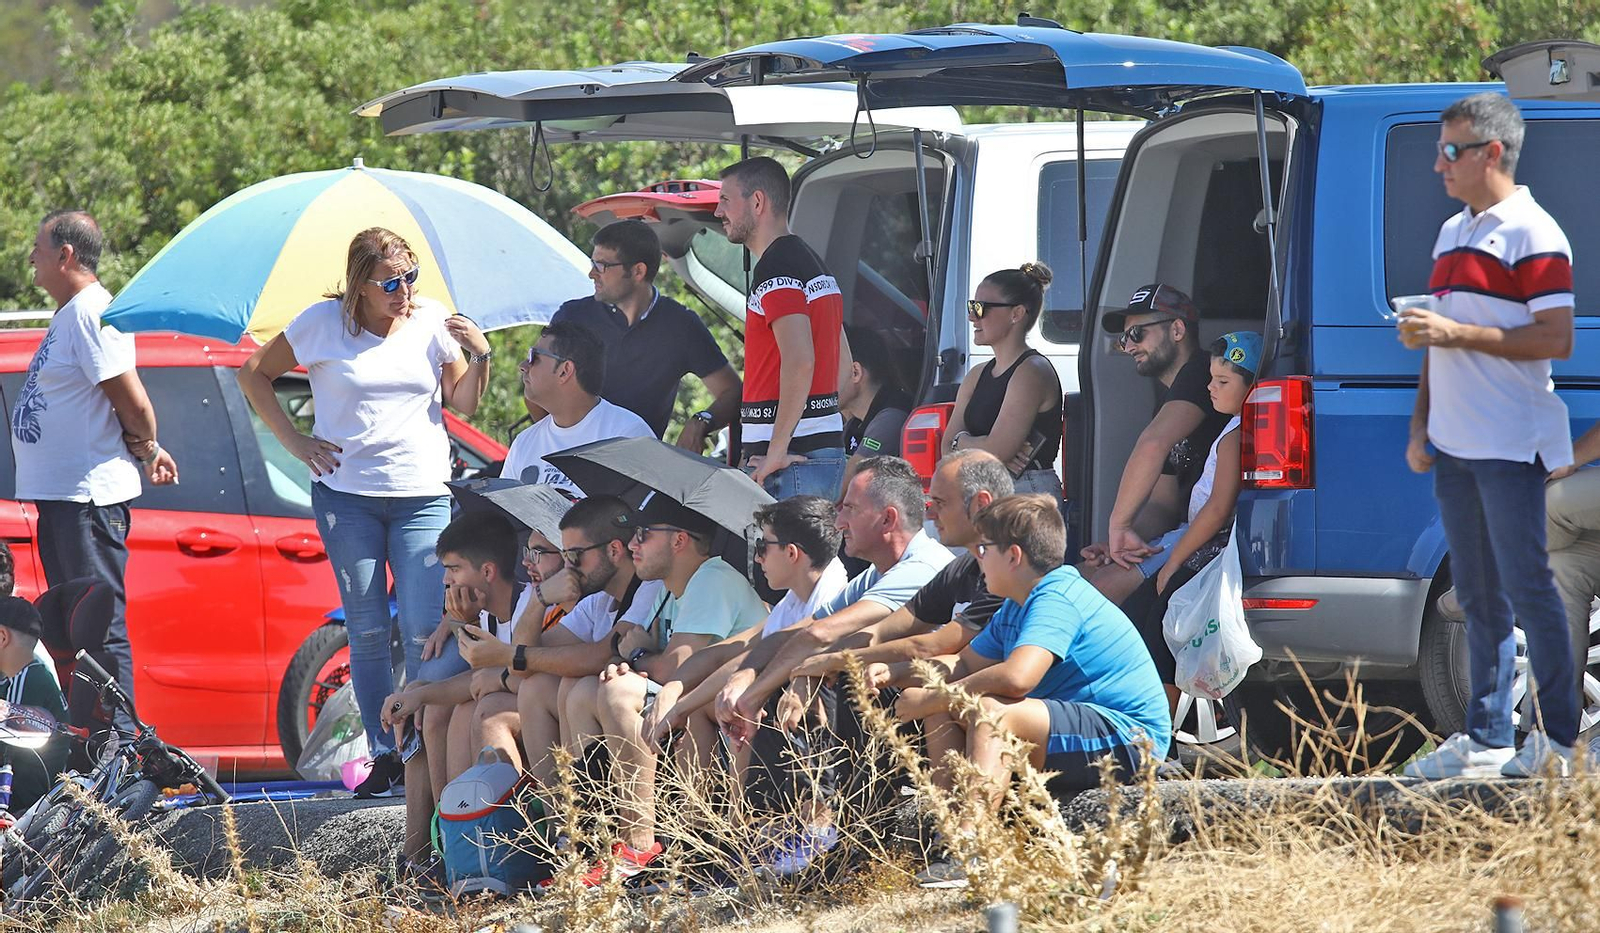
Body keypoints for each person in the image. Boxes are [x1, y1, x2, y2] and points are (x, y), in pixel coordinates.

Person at [238, 226, 492, 797]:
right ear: (359, 284)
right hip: (346, 496)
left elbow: (466, 402)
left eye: (410, 277)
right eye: (390, 283)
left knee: (426, 626)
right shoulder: (321, 322)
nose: (405, 291)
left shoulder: (431, 320)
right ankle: (386, 751)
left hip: (423, 493)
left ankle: (426, 743)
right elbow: (253, 374)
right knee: (369, 629)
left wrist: (480, 353)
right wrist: (294, 440)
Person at [1399, 92, 1579, 779]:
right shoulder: (1452, 232)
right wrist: (1421, 424)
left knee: (1530, 590)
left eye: (1452, 151)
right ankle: (1486, 738)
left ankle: (1558, 742)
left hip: (1510, 442)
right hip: (1456, 444)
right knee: (1476, 597)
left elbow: (1554, 337)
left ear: (1492, 152)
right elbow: (1435, 338)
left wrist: (1453, 332)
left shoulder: (1535, 232)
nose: (1438, 165)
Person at [894, 494, 1170, 888]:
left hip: (1129, 739)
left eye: (984, 549)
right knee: (943, 708)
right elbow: (964, 665)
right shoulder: (1015, 604)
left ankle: (973, 849)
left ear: (1014, 556)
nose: (977, 559)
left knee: (990, 711)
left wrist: (933, 695)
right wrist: (888, 674)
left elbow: (1018, 677)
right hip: (1072, 729)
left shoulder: (1057, 597)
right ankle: (950, 838)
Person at [14, 210, 179, 730]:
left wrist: (148, 447)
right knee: (70, 630)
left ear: (66, 255)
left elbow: (133, 400)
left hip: (88, 501)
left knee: (97, 628)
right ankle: (92, 743)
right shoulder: (71, 313)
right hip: (64, 499)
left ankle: (123, 746)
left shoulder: (92, 312)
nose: (32, 258)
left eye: (39, 249)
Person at [571, 494, 767, 886]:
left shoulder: (712, 577)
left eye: (644, 534)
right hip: (694, 709)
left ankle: (639, 843)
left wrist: (636, 656)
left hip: (733, 710)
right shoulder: (667, 587)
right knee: (579, 692)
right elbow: (647, 657)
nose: (632, 544)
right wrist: (633, 658)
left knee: (619, 692)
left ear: (679, 540)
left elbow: (677, 667)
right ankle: (591, 840)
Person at [717, 457, 955, 745]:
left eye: (850, 509)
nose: (840, 522)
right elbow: (798, 632)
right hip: (904, 701)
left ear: (887, 519)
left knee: (823, 682)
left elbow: (822, 634)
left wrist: (757, 694)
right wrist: (743, 677)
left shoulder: (922, 566)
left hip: (938, 706)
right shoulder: (875, 573)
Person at [383, 510, 554, 867]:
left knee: (463, 711)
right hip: (508, 702)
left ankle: (463, 846)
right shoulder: (485, 612)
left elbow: (508, 678)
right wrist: (416, 695)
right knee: (424, 703)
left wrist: (463, 627)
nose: (446, 580)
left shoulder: (528, 606)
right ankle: (436, 850)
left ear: (487, 572)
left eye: (454, 569)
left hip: (539, 713)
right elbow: (478, 680)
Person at [1119, 333, 1259, 716]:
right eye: (1211, 379)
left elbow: (1217, 509)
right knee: (1142, 615)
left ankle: (1156, 732)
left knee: (1157, 629)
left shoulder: (1235, 438)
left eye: (1223, 381)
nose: (1211, 388)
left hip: (1206, 550)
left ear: (1252, 387)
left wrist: (1175, 561)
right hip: (1200, 546)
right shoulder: (1230, 429)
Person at [1079, 283, 1231, 604]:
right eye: (1124, 339)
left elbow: (1152, 444)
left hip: (1218, 532)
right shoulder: (1168, 403)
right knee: (1077, 576)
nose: (1129, 346)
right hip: (1186, 529)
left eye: (1137, 334)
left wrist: (1119, 525)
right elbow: (1164, 503)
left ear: (1177, 330)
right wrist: (1125, 543)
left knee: (1101, 587)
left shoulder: (1202, 373)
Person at [538, 220, 741, 449]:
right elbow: (535, 386)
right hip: (568, 459)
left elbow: (733, 391)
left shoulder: (681, 325)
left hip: (640, 466)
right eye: (592, 263)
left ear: (638, 271)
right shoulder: (572, 316)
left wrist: (701, 421)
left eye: (601, 266)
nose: (591, 274)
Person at [715, 156, 846, 498]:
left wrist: (776, 448)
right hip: (814, 452)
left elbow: (800, 360)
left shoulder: (776, 267)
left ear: (757, 202)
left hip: (788, 461)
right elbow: (844, 366)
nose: (718, 212)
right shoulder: (812, 262)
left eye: (725, 199)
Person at [943, 264, 1064, 497]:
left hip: (1026, 495)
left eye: (981, 308)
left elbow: (997, 450)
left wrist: (962, 441)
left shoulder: (1032, 371)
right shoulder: (976, 374)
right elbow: (946, 449)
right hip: (984, 489)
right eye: (972, 306)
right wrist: (982, 447)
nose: (972, 317)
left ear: (1016, 314)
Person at [499, 321, 653, 493]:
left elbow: (647, 508)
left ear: (565, 370)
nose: (523, 366)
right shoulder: (524, 443)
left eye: (533, 357)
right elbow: (502, 507)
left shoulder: (628, 435)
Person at [0, 597, 67, 815]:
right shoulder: (21, 675)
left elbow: (7, 743)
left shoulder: (27, 680)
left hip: (24, 795)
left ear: (2, 637)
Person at [840, 326, 913, 483]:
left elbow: (842, 486)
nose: (819, 383)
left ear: (855, 372)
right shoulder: (855, 422)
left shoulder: (892, 418)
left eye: (827, 371)